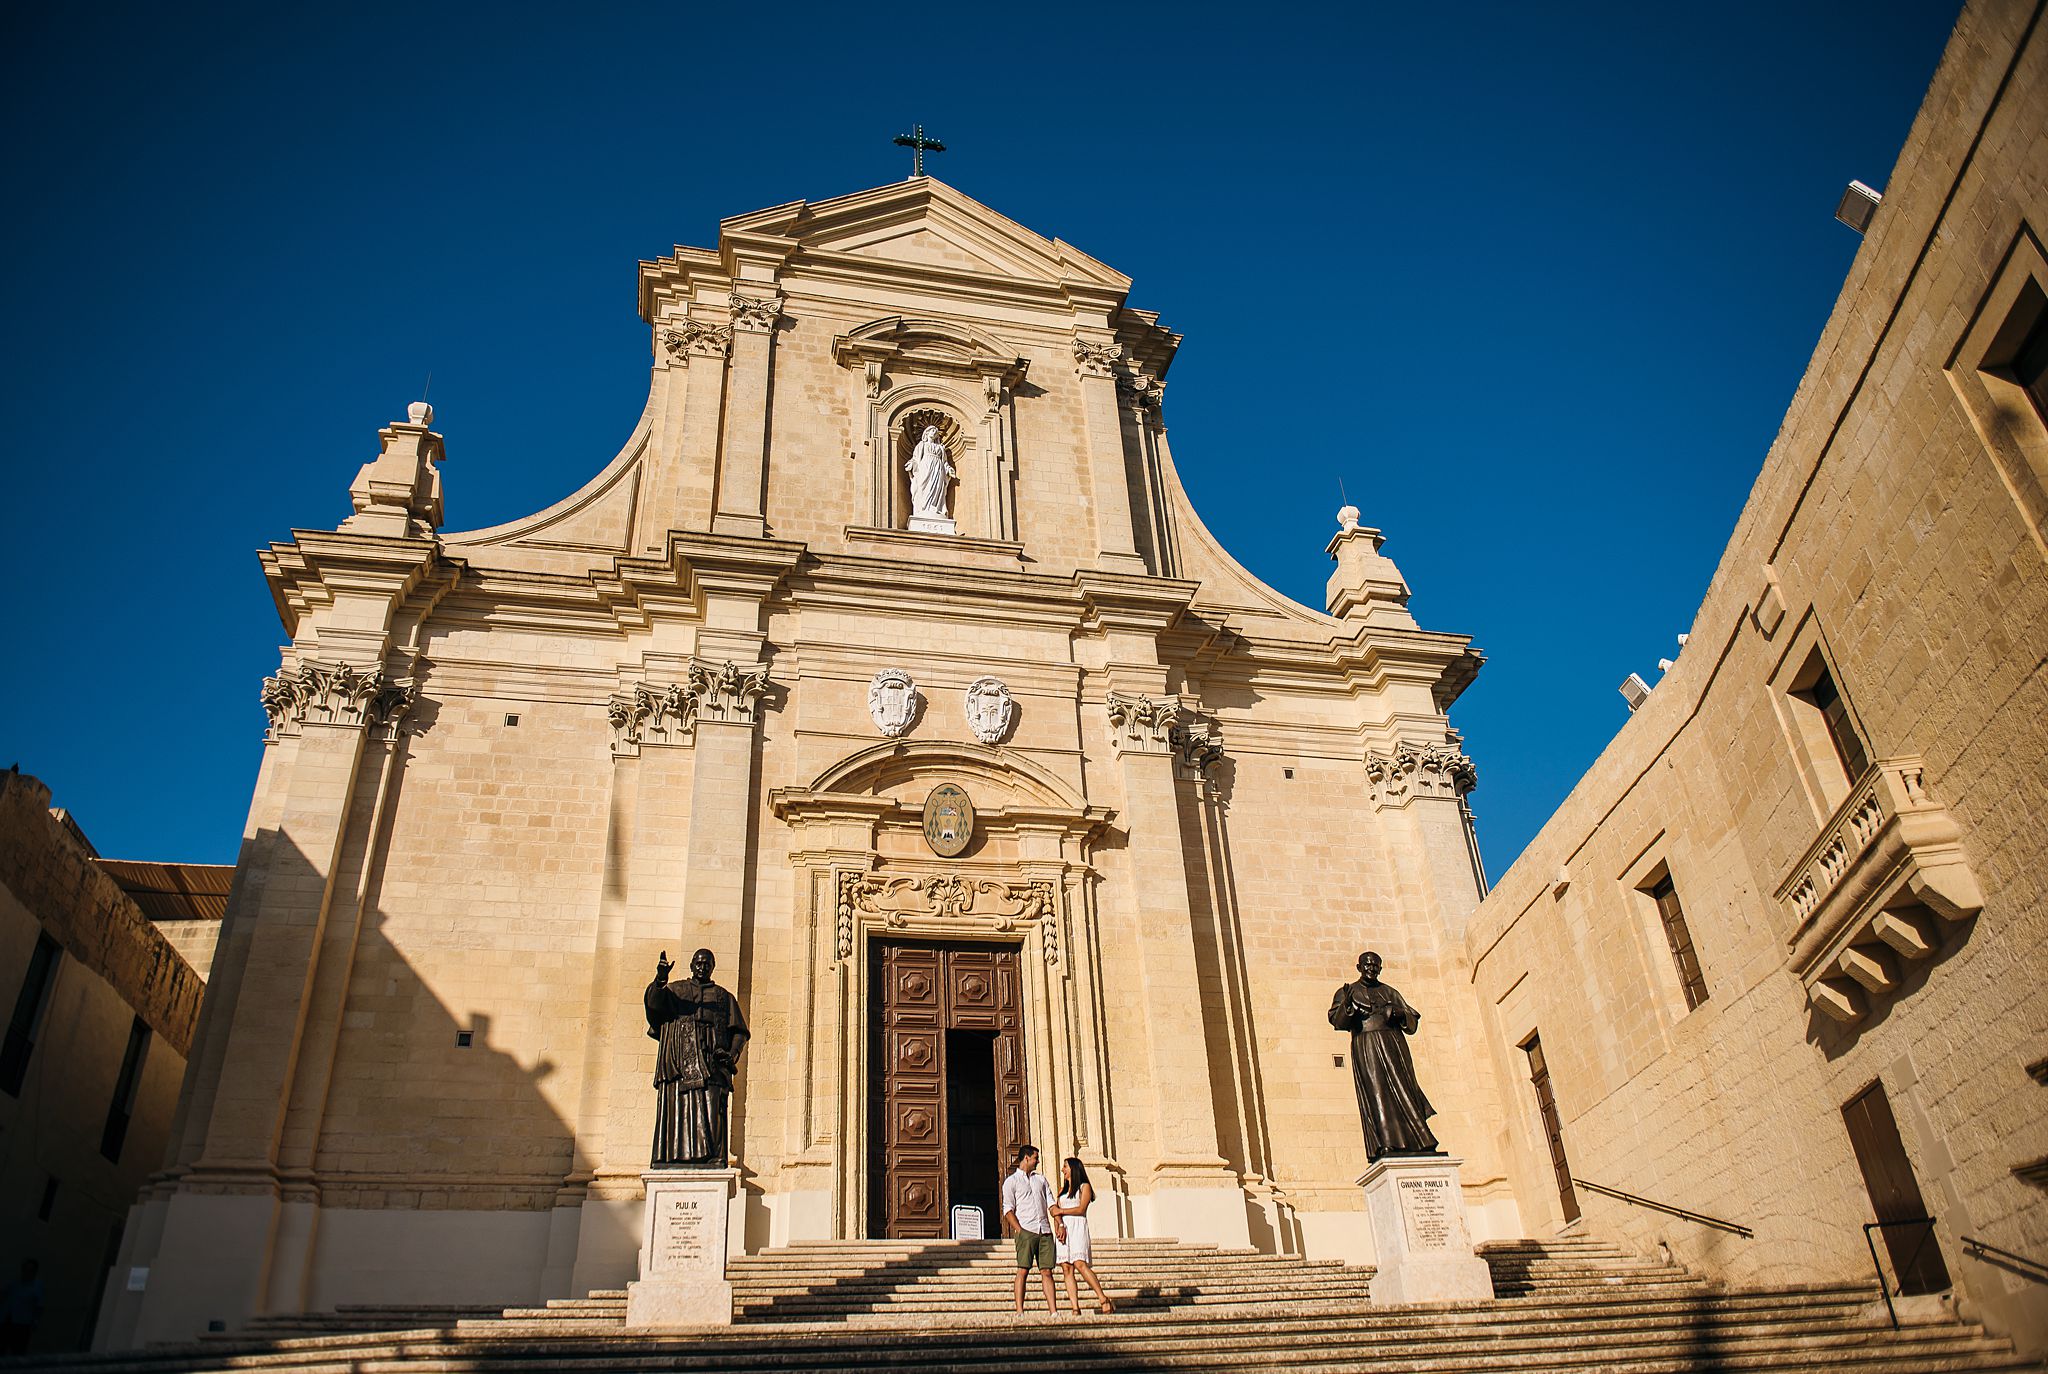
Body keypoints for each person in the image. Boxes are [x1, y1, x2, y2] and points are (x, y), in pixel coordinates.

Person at [1328, 950, 1440, 1160]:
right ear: (1359, 967)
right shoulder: (1347, 992)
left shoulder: (1390, 992)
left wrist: (1398, 1013)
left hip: (1394, 1044)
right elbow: (1338, 1022)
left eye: (1375, 965)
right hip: (1367, 1045)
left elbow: (1411, 1022)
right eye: (1367, 965)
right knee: (1378, 1092)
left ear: (1380, 968)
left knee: (1405, 1089)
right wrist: (1347, 1007)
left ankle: (1422, 1140)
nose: (1371, 968)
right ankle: (1387, 1142)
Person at [645, 948, 750, 1168]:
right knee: (678, 1108)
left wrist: (731, 1056)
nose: (703, 967)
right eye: (699, 963)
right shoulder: (676, 990)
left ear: (713, 967)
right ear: (692, 965)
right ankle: (674, 1157)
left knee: (713, 1109)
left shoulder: (723, 997)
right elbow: (654, 1006)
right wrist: (661, 979)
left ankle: (712, 1157)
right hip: (681, 1060)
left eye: (707, 964)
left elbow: (740, 1031)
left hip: (712, 1061)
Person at [1000, 1144, 1061, 1315]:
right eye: (1035, 1157)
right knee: (1023, 1270)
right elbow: (1008, 1209)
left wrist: (1059, 1223)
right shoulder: (1011, 1182)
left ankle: (1053, 1312)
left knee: (1047, 1272)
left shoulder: (1040, 1179)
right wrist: (1019, 1230)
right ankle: (1020, 1311)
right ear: (1026, 1158)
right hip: (1026, 1230)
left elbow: (1051, 1203)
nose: (1038, 1161)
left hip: (1044, 1230)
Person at [1051, 1156, 1114, 1315]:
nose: (1063, 1170)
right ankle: (1075, 1307)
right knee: (1066, 1268)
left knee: (1080, 1264)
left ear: (1074, 1168)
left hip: (1078, 1227)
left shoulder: (1084, 1187)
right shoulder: (1062, 1190)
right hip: (1064, 1229)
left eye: (1065, 1167)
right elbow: (1054, 1211)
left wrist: (1061, 1212)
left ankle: (1102, 1298)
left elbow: (1081, 1209)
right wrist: (1059, 1226)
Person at [906, 425, 955, 520]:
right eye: (932, 430)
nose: (934, 432)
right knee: (924, 486)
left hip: (938, 468)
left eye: (935, 431)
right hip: (925, 466)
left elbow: (944, 462)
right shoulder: (921, 445)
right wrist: (911, 464)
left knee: (937, 487)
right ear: (926, 433)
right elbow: (915, 458)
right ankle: (923, 509)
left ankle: (936, 508)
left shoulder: (940, 448)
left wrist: (948, 469)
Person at [0, 1259, 42, 1355]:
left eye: (30, 1270)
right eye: (25, 1269)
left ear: (35, 1272)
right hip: (6, 1320)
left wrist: (36, 1321)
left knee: (18, 1350)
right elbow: (3, 1297)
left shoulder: (37, 1286)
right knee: (2, 1347)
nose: (27, 1272)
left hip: (22, 1323)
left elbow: (39, 1306)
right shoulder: (14, 1283)